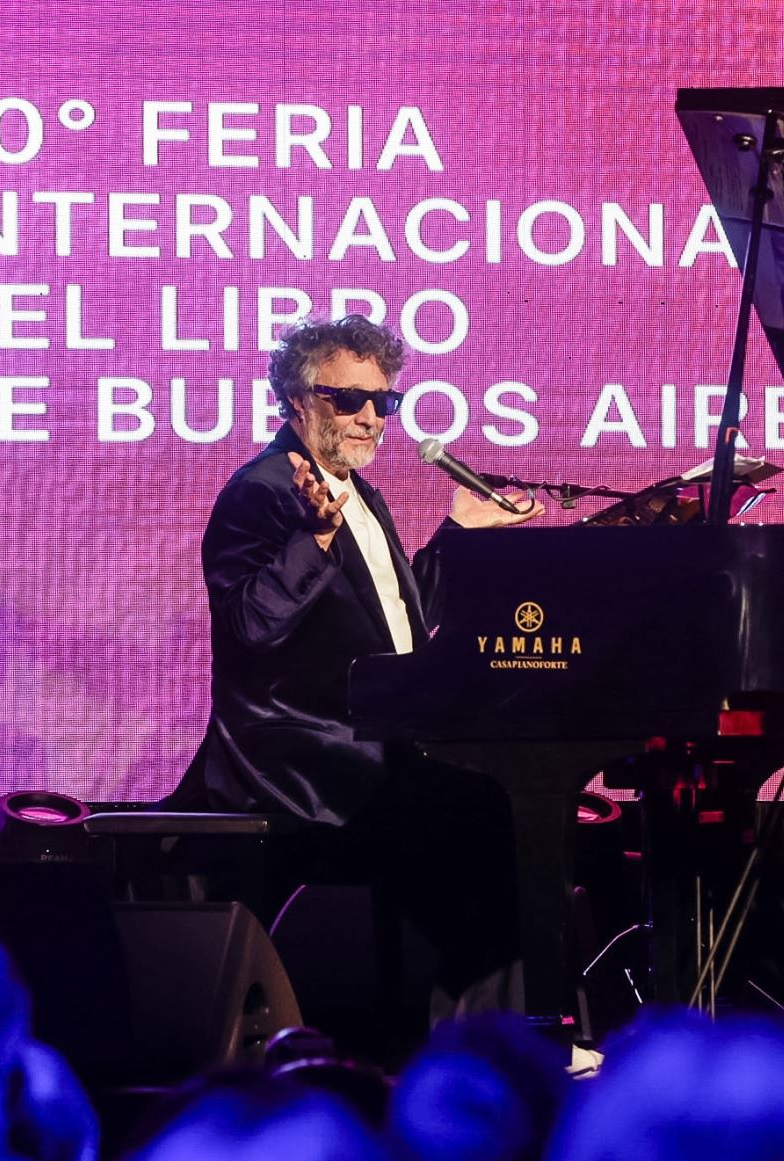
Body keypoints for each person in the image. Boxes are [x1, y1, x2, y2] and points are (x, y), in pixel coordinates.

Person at [169, 314, 539, 1011]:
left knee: (505, 810)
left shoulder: (359, 493)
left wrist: (461, 532)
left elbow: (400, 619)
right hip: (303, 766)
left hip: (375, 748)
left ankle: (488, 1033)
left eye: (385, 402)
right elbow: (250, 624)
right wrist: (312, 540)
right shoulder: (262, 492)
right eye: (350, 400)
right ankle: (488, 1040)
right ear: (298, 400)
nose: (372, 418)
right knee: (485, 817)